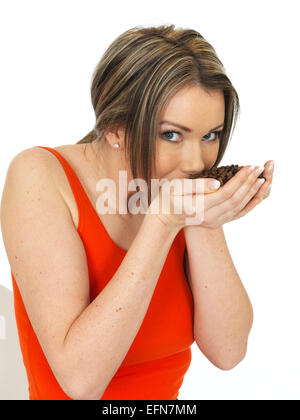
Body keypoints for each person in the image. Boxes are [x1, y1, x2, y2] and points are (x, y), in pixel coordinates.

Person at [0, 24, 274, 400]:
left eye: (210, 135)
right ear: (115, 129)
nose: (196, 162)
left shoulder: (178, 191)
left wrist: (203, 221)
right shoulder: (38, 177)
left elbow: (228, 352)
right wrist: (161, 222)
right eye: (172, 135)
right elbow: (80, 381)